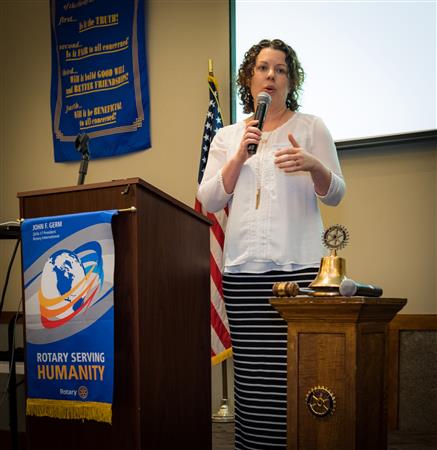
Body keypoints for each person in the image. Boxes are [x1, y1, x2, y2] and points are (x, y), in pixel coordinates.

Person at [197, 38, 345, 450]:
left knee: (297, 371)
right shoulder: (228, 136)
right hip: (243, 272)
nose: (271, 76)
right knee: (253, 376)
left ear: (290, 81)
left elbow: (336, 194)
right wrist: (238, 157)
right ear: (249, 79)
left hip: (299, 271)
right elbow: (209, 198)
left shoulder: (311, 127)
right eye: (263, 68)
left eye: (281, 70)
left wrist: (314, 166)